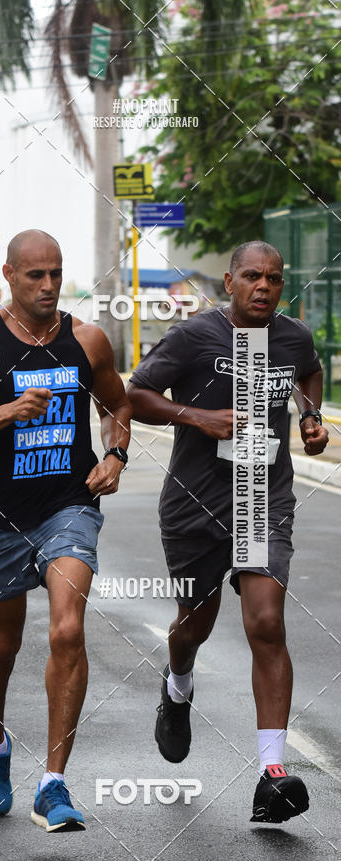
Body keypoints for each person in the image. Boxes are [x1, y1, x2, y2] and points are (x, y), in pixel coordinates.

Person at [0, 229, 131, 832]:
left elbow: (117, 405)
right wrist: (6, 413)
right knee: (2, 647)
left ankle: (53, 783)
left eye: (55, 274)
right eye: (35, 275)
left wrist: (115, 456)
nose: (47, 286)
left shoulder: (86, 339)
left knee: (68, 629)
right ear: (10, 276)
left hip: (69, 507)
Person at [126, 241, 329, 824]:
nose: (263, 287)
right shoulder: (194, 337)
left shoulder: (292, 337)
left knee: (266, 622)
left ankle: (272, 773)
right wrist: (198, 417)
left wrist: (310, 417)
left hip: (262, 498)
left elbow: (309, 373)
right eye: (251, 277)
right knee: (195, 626)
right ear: (229, 281)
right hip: (196, 504)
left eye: (273, 278)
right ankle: (179, 685)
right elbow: (135, 395)